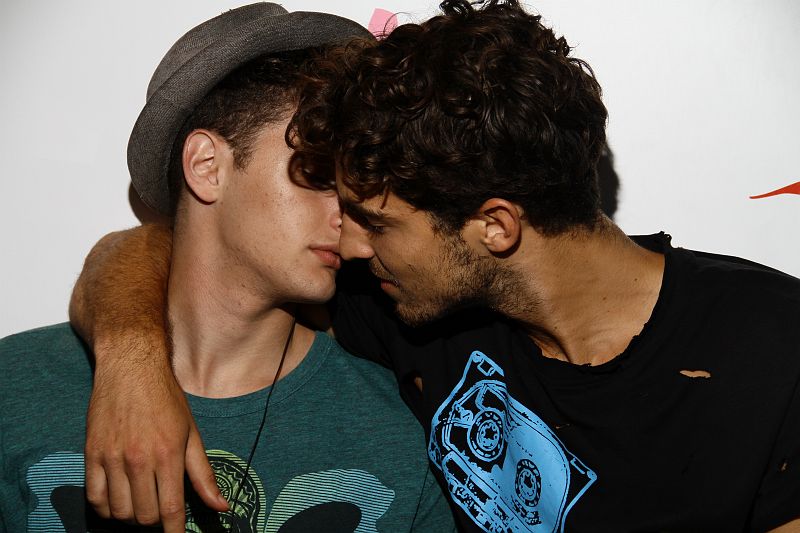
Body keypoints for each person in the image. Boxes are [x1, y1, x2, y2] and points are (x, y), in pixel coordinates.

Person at [67, 0, 800, 531]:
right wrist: (132, 359)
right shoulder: (406, 305)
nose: (353, 247)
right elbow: (155, 247)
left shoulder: (773, 349)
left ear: (495, 227)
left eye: (377, 224)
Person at [0, 4, 457, 532]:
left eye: (355, 185)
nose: (348, 217)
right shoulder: (15, 388)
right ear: (207, 167)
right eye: (318, 175)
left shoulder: (399, 430)